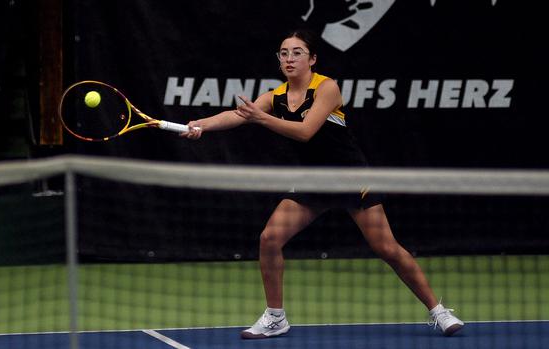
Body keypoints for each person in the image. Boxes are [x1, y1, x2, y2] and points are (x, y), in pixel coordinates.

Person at [181, 29, 464, 339]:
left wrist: (260, 119)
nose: (289, 58)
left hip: (350, 176)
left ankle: (438, 310)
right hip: (312, 179)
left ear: (312, 59)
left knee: (386, 248)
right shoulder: (275, 97)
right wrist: (199, 126)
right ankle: (276, 317)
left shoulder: (326, 88)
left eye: (297, 52)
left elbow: (305, 131)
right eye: (284, 53)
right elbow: (237, 115)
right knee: (270, 238)